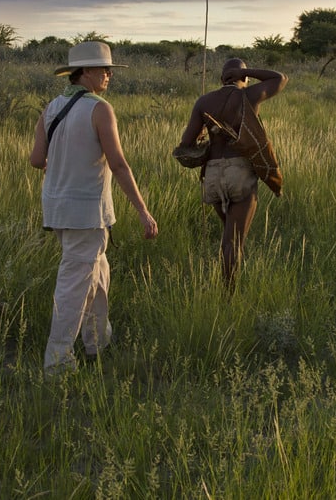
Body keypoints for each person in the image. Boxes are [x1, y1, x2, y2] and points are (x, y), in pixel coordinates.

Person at [29, 40, 159, 374]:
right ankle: (57, 362)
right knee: (74, 284)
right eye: (104, 70)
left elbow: (36, 160)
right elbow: (119, 164)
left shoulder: (51, 107)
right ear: (85, 72)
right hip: (86, 212)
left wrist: (65, 170)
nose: (108, 76)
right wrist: (143, 211)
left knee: (98, 272)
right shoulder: (100, 109)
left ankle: (97, 342)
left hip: (58, 208)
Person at [178, 58, 287, 290]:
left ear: (221, 78)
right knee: (232, 242)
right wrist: (246, 72)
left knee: (230, 234)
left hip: (214, 176)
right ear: (244, 78)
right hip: (240, 173)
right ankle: (228, 298)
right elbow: (280, 78)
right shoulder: (249, 96)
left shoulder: (204, 101)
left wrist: (201, 138)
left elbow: (186, 143)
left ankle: (230, 283)